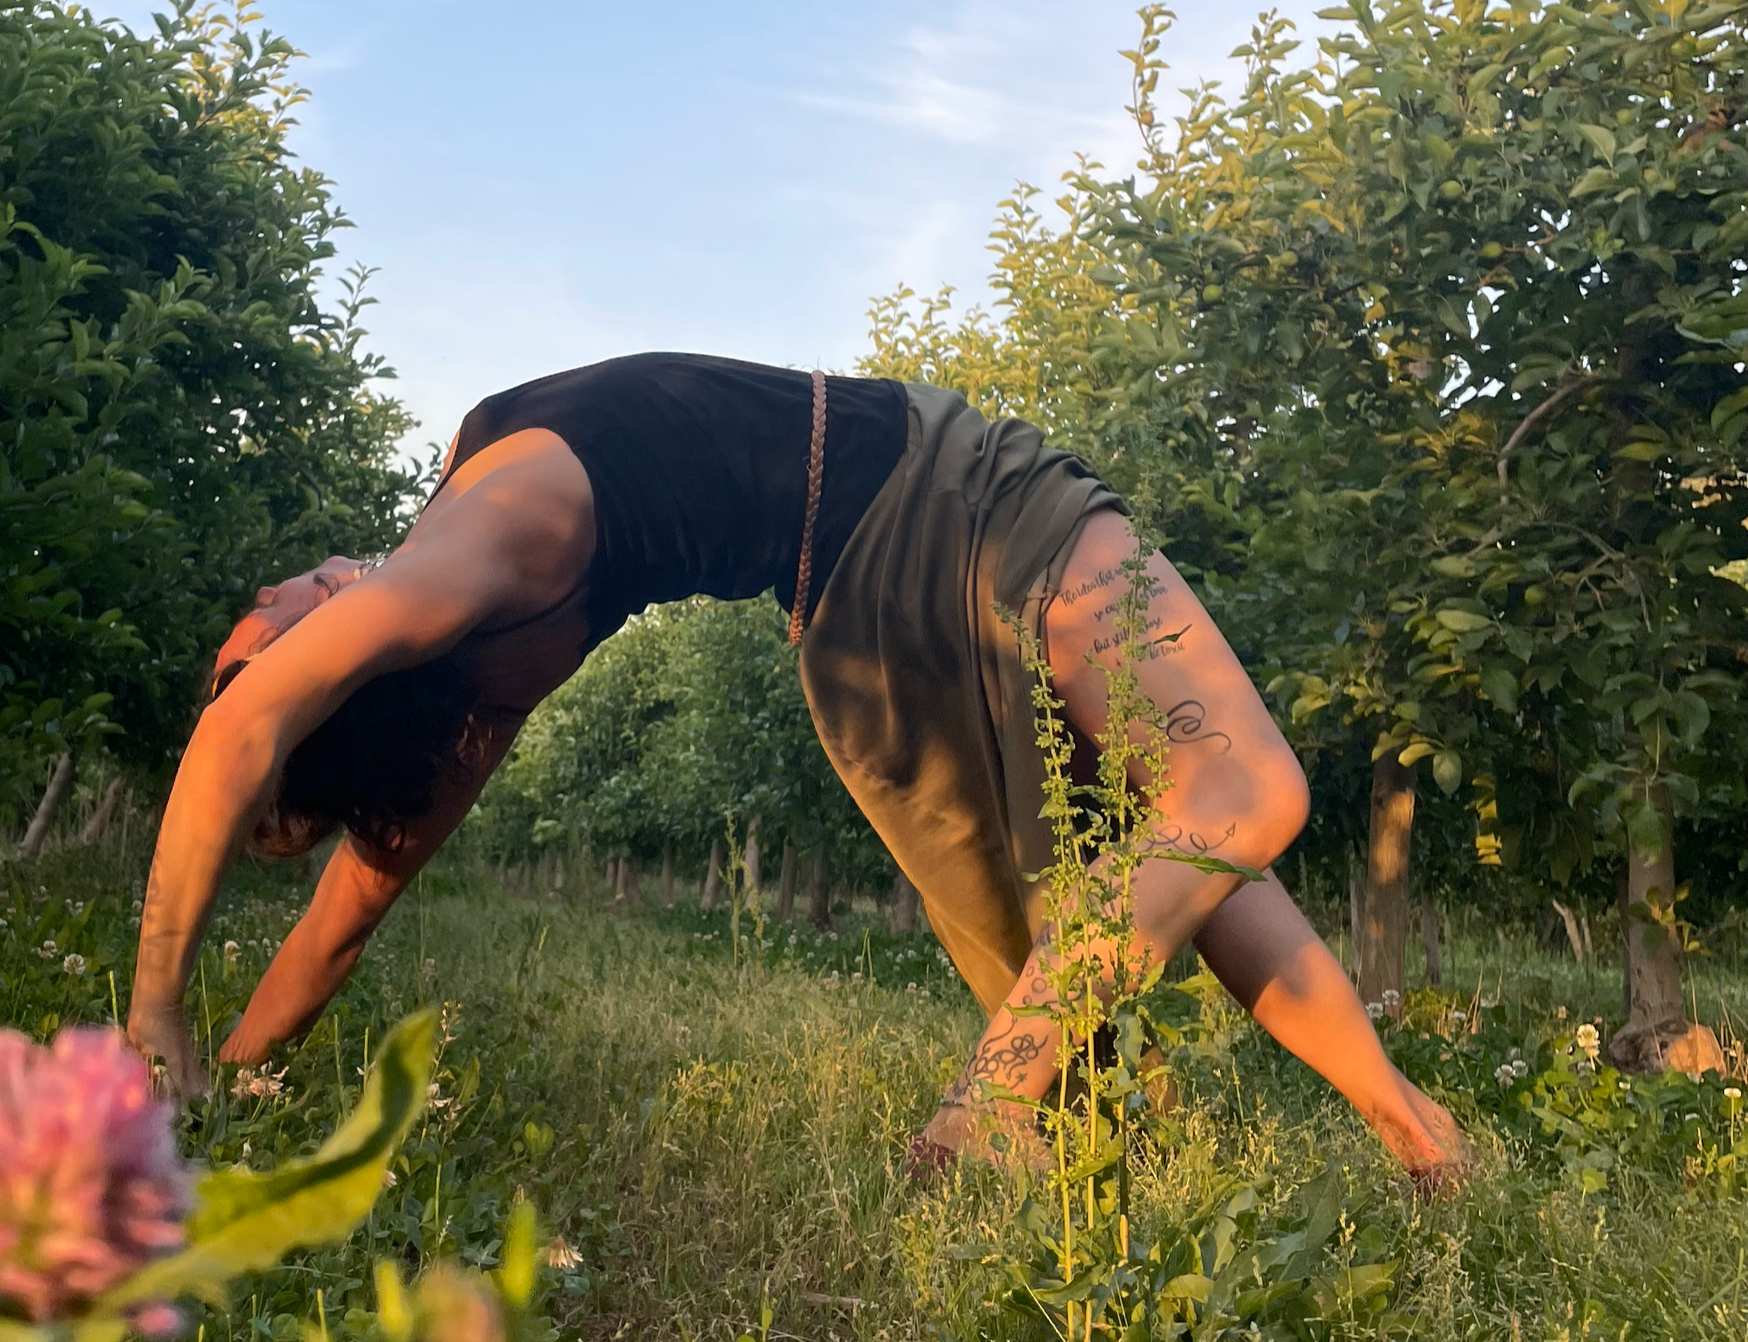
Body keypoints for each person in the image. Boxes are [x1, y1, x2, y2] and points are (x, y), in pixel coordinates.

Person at [124, 352, 1467, 1184]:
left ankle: (1424, 1139)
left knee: (1184, 841)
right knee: (1240, 799)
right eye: (290, 606)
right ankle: (993, 1112)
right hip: (946, 503)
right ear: (344, 669)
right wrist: (160, 1025)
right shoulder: (477, 543)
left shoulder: (478, 651)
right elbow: (249, 744)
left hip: (869, 621)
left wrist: (219, 1079)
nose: (295, 578)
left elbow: (332, 932)